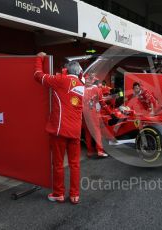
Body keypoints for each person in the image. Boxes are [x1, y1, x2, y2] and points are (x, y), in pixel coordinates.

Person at [34, 52, 83, 204]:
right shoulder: (82, 86)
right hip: (75, 131)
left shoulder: (61, 80)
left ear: (66, 70)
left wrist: (39, 58)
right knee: (75, 164)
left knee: (58, 164)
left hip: (60, 130)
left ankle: (58, 193)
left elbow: (38, 75)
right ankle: (75, 195)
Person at [84, 75, 112, 158]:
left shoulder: (83, 89)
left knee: (88, 132)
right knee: (97, 132)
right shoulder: (96, 89)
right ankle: (100, 151)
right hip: (93, 113)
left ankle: (89, 151)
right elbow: (101, 102)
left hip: (84, 113)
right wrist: (110, 112)